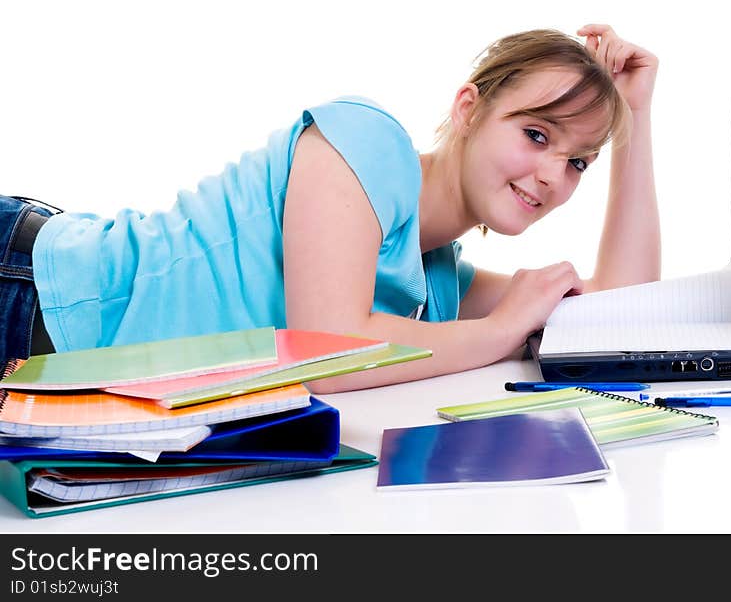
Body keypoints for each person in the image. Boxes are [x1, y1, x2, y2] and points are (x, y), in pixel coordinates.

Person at [0, 23, 660, 391]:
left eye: (578, 161)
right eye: (536, 135)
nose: (552, 175)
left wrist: (634, 116)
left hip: (52, 353)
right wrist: (500, 328)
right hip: (27, 292)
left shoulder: (433, 279)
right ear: (469, 109)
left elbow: (617, 312)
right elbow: (327, 349)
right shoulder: (366, 140)